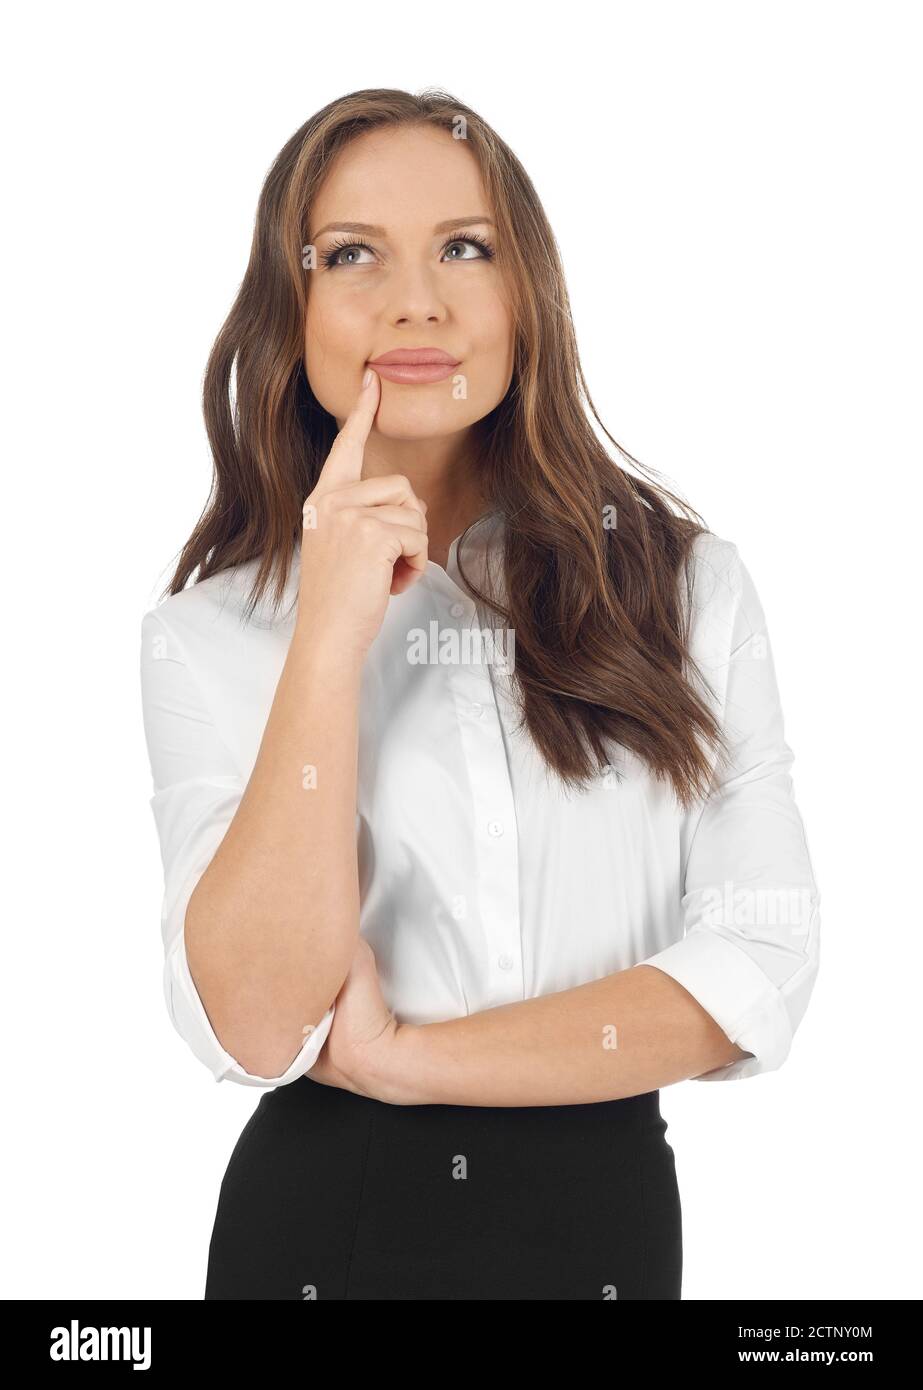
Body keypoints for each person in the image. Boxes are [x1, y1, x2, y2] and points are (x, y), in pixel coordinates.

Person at [139, 88, 820, 1301]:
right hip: (323, 1235)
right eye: (353, 255)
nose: (417, 301)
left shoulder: (686, 590)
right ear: (289, 314)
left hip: (604, 1227)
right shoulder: (208, 636)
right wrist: (331, 634)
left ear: (527, 301)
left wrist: (410, 1059)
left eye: (466, 248)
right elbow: (253, 1021)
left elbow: (758, 964)